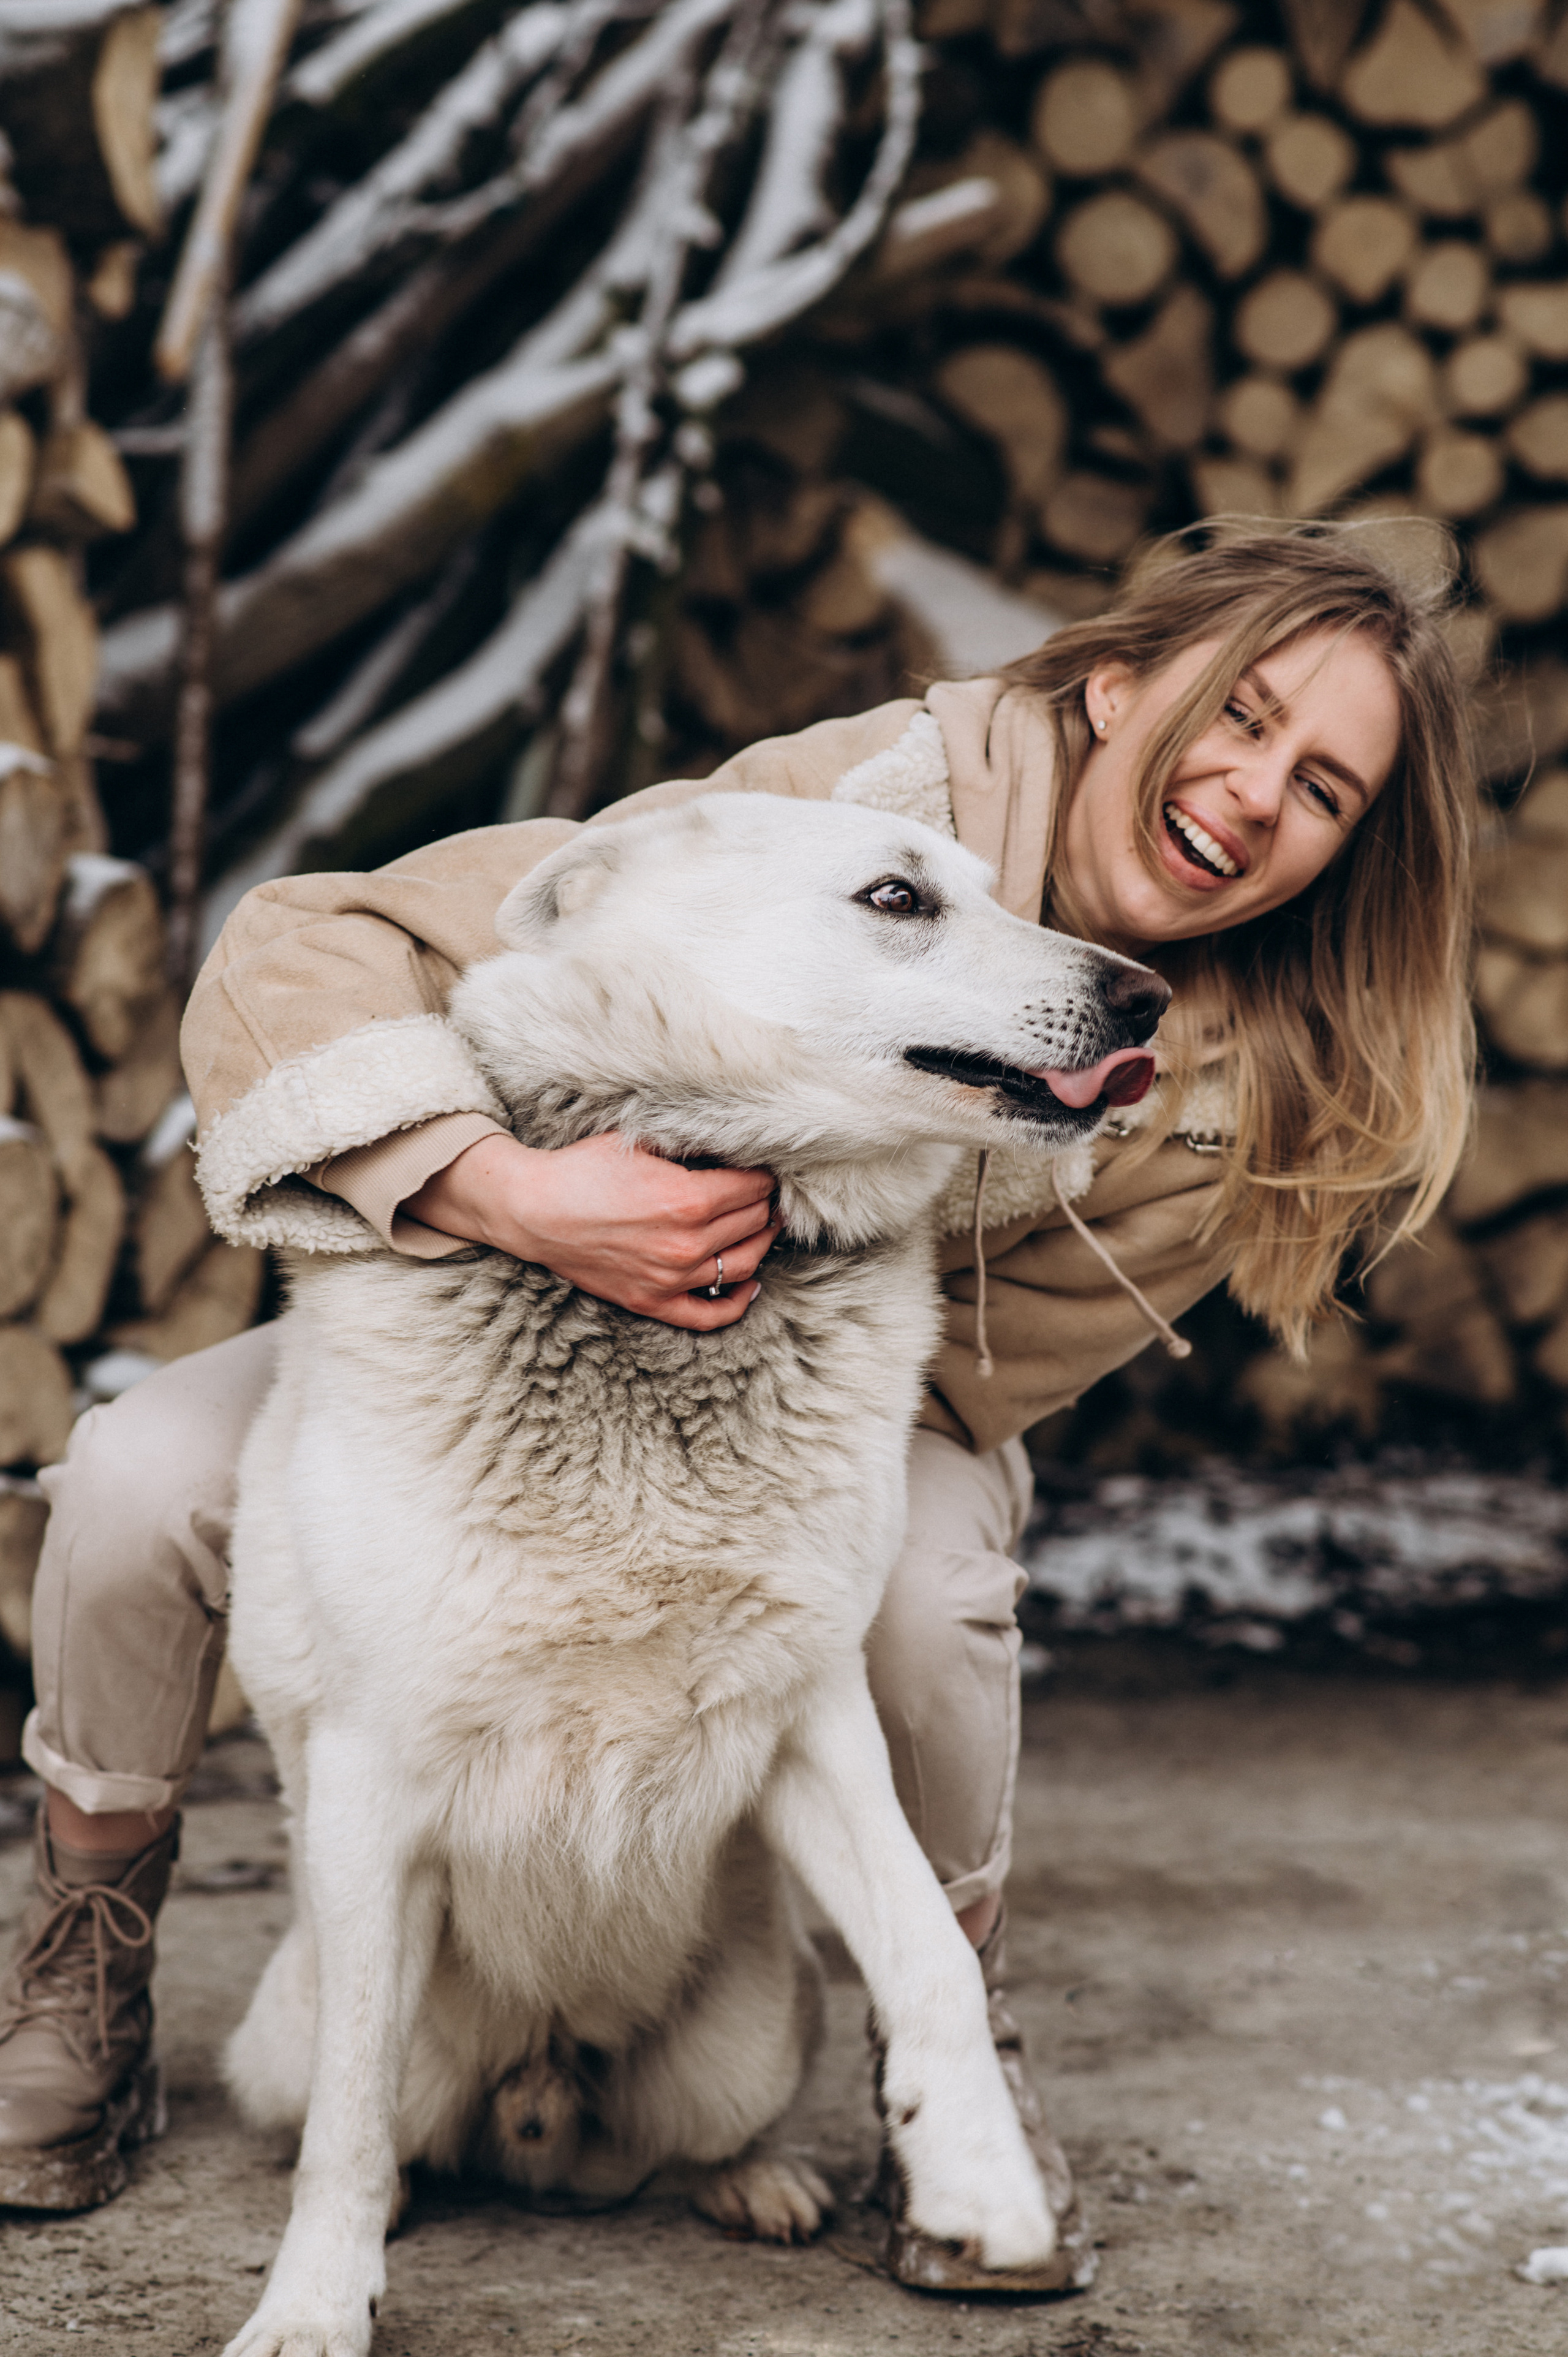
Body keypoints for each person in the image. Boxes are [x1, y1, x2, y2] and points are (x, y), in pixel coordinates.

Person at [0, 521, 1474, 2288]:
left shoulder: (1249, 1076)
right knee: (140, 1468)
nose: (1253, 792)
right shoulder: (850, 804)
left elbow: (983, 1374)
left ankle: (955, 2050)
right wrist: (501, 1186)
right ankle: (85, 1961)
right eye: (1240, 712)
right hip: (498, 1270)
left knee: (920, 1599)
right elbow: (314, 940)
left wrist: (790, 1308)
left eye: (1322, 789)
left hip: (845, 1396)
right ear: (1114, 685)